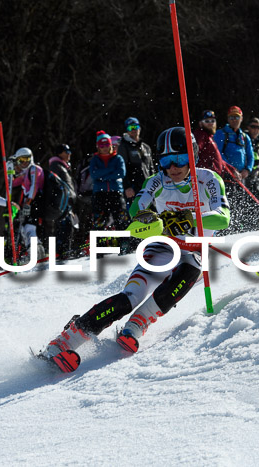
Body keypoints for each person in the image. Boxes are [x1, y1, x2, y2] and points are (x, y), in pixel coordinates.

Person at [36, 127, 230, 372]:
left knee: (189, 271)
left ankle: (136, 326)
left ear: (192, 155)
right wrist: (151, 219)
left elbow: (223, 218)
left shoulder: (209, 180)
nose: (173, 167)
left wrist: (189, 217)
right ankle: (64, 342)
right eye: (166, 161)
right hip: (162, 246)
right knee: (130, 298)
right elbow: (135, 210)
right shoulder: (156, 181)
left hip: (193, 250)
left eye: (180, 158)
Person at [213, 106, 255, 232]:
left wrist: (247, 170)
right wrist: (231, 170)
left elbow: (250, 155)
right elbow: (218, 153)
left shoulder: (244, 136)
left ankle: (238, 225)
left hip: (241, 175)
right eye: (231, 117)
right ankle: (226, 226)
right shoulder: (221, 133)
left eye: (237, 117)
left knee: (240, 201)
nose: (234, 120)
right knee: (227, 200)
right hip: (227, 174)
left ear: (241, 118)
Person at [90, 131, 128, 233]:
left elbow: (121, 173)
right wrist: (111, 170)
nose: (104, 147)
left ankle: (124, 245)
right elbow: (93, 174)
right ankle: (98, 246)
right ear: (98, 146)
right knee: (99, 222)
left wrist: (102, 176)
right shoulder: (95, 159)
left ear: (111, 145)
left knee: (121, 220)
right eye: (102, 145)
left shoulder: (118, 158)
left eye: (106, 144)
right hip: (99, 194)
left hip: (116, 192)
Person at [11, 147, 45, 257]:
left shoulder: (34, 169)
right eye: (21, 160)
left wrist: (28, 202)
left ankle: (35, 252)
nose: (24, 163)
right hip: (29, 202)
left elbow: (34, 186)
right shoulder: (26, 173)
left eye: (26, 159)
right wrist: (10, 169)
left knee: (29, 227)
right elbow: (12, 183)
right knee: (24, 228)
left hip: (35, 201)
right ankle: (33, 250)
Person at [48, 144, 79, 257]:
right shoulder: (56, 165)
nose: (69, 154)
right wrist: (61, 197)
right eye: (67, 151)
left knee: (68, 224)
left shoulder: (63, 166)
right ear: (60, 153)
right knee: (65, 224)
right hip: (62, 201)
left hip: (66, 201)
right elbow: (55, 183)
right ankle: (62, 251)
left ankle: (64, 249)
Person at [118, 117, 154, 204]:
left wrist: (155, 183)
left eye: (135, 127)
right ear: (127, 130)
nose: (134, 130)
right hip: (134, 188)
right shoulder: (124, 146)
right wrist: (127, 186)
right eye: (130, 128)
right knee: (137, 214)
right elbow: (122, 168)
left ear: (140, 128)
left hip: (148, 187)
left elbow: (151, 168)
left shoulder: (146, 147)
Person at [193, 109, 235, 176]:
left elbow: (218, 159)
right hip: (205, 177)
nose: (210, 123)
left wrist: (232, 170)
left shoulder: (209, 137)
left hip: (214, 176)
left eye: (213, 121)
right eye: (207, 121)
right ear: (200, 123)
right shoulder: (200, 135)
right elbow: (195, 150)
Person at [244, 117, 259, 199]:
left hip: (254, 176)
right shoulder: (243, 138)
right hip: (244, 175)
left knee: (258, 198)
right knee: (244, 198)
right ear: (248, 127)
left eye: (258, 128)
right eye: (253, 127)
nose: (256, 130)